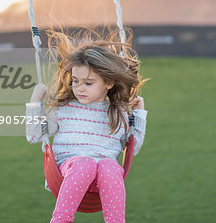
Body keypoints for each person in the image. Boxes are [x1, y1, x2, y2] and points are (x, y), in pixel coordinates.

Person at [26, 28, 147, 223]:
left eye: (88, 83)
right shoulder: (64, 109)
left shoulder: (117, 112)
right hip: (68, 173)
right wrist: (34, 102)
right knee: (85, 163)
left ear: (108, 82)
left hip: (102, 182)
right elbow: (33, 136)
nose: (79, 88)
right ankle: (60, 220)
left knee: (110, 166)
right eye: (75, 81)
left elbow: (133, 147)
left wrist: (139, 114)